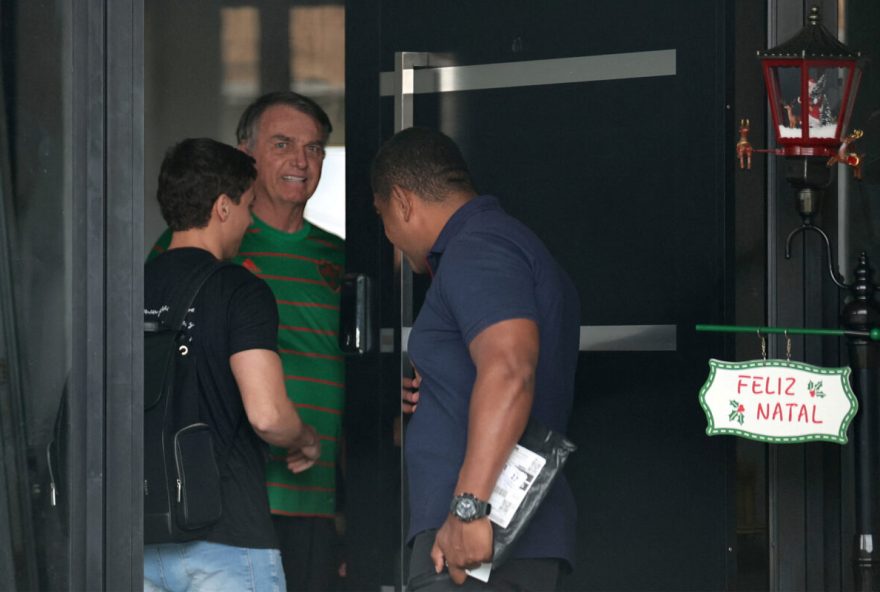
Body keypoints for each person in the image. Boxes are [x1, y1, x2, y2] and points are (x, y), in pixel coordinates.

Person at [149, 92, 346, 591]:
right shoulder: (197, 255)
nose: (302, 160)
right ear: (246, 155)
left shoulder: (345, 257)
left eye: (315, 147)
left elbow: (369, 362)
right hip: (214, 499)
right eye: (283, 143)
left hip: (313, 501)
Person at [371, 127, 580, 591]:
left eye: (383, 214)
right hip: (491, 539)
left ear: (402, 202)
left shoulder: (478, 249)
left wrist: (467, 507)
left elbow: (509, 370)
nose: (388, 233)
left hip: (474, 544)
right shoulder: (495, 247)